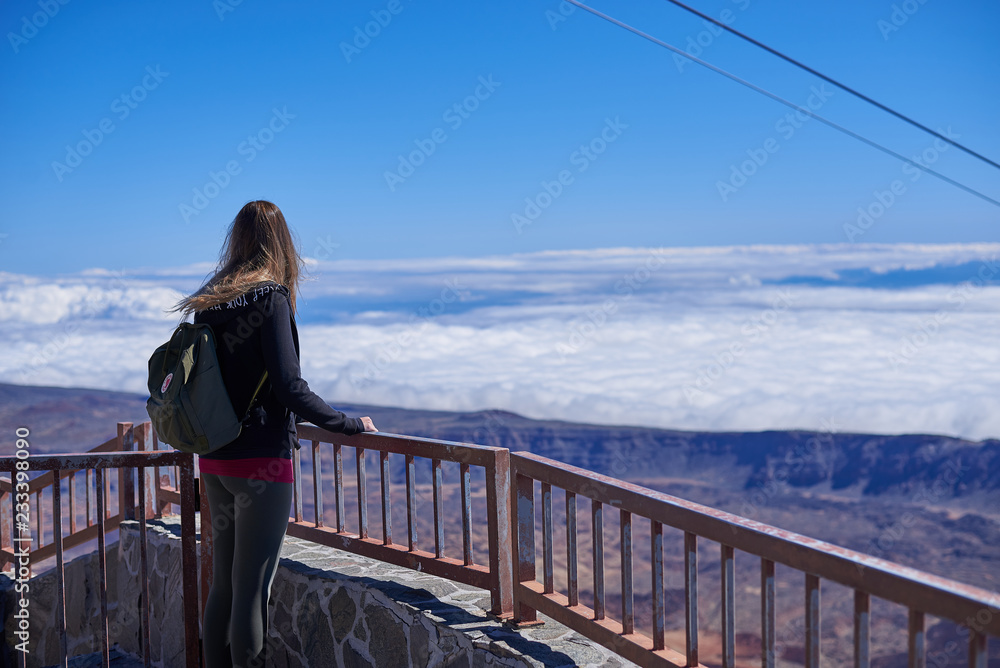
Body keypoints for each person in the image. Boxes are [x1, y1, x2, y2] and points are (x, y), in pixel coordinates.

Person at [172, 200, 376, 667]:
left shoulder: (210, 303)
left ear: (236, 240)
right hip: (262, 462)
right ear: (281, 243)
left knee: (222, 584)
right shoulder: (271, 297)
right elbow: (289, 386)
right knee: (251, 590)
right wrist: (348, 424)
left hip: (216, 459)